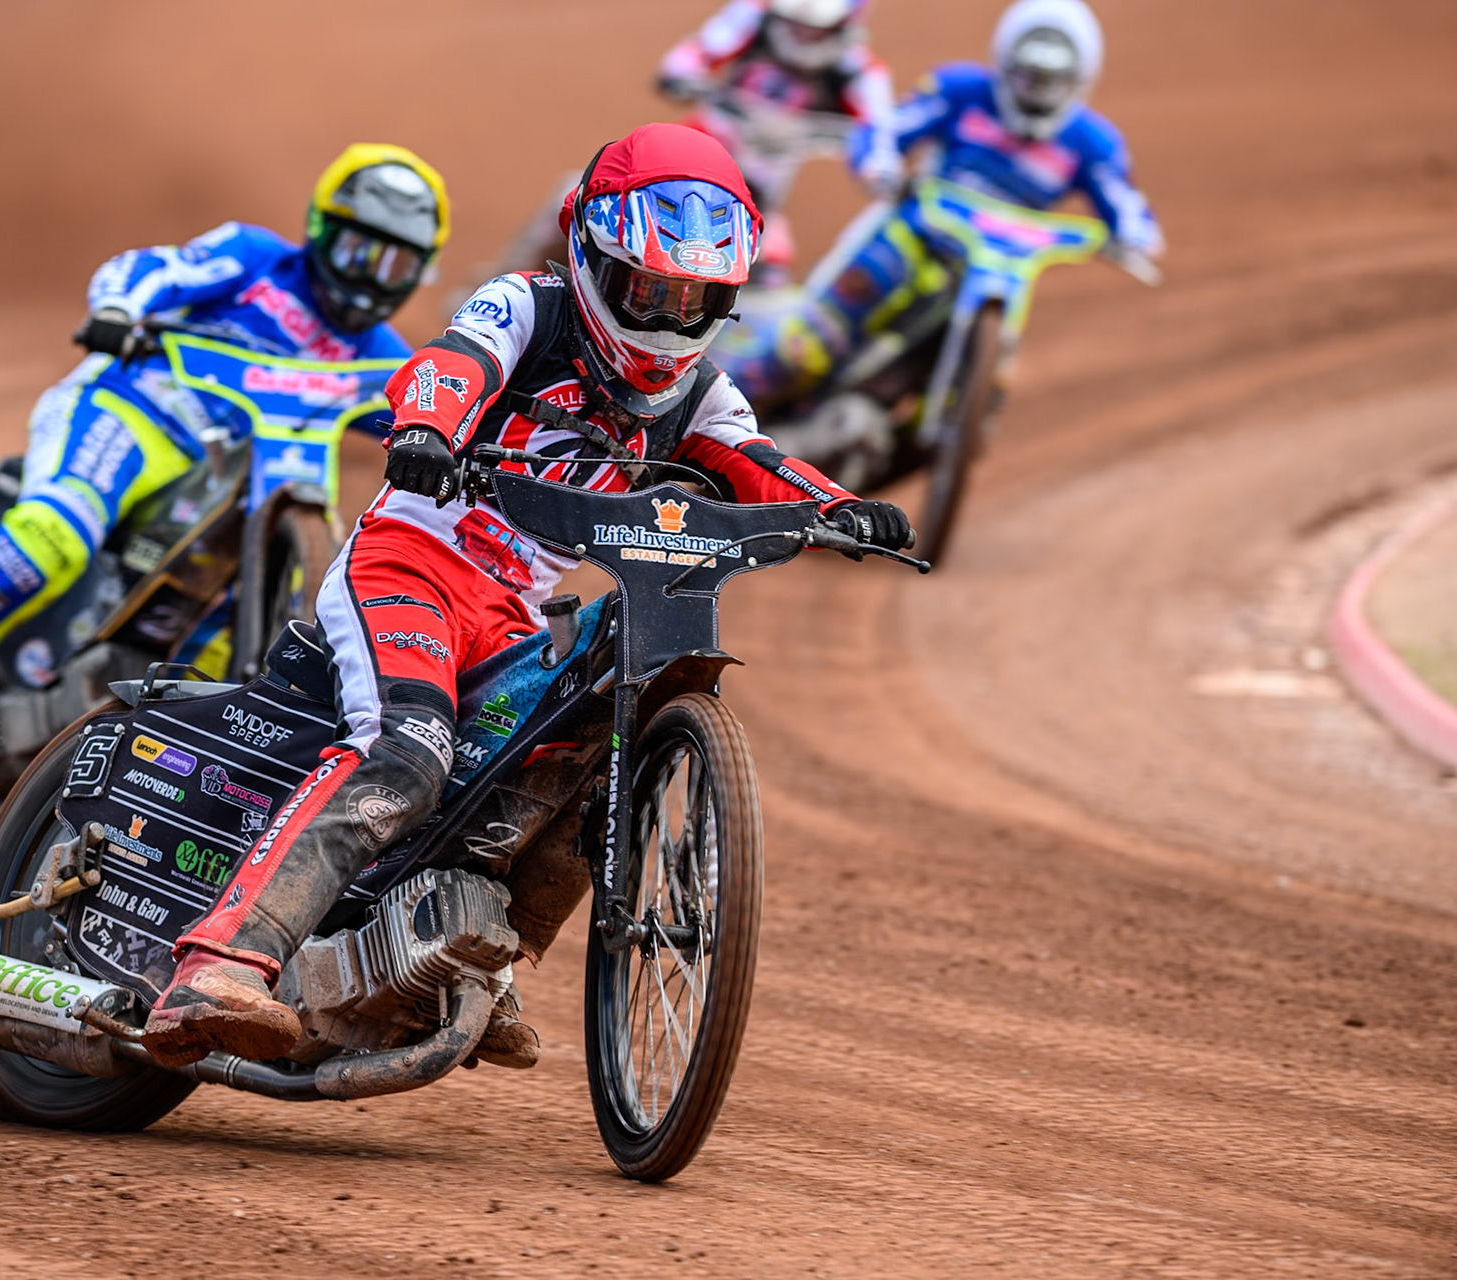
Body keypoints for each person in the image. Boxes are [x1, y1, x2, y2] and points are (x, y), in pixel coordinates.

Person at [133, 123, 913, 1071]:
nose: (669, 321)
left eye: (695, 299)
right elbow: (449, 365)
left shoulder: (696, 392)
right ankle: (219, 965)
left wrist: (841, 510)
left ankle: (474, 958)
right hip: (410, 564)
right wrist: (427, 424)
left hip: (511, 612)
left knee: (592, 747)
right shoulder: (528, 309)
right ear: (590, 254)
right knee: (407, 754)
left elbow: (754, 461)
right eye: (650, 291)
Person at [0, 145, 450, 796]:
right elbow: (153, 270)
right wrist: (118, 310)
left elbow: (437, 413)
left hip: (231, 488)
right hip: (130, 413)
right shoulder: (254, 259)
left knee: (228, 628)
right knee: (52, 539)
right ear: (319, 230)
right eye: (359, 251)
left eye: (395, 264)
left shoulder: (383, 359)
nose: (368, 278)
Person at [790, 0, 1163, 393]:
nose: (1037, 91)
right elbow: (886, 130)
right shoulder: (960, 90)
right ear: (1005, 62)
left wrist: (1136, 237)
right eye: (1029, 76)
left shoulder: (1092, 142)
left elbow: (1125, 203)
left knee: (999, 371)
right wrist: (879, 165)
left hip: (998, 269)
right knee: (806, 343)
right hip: (916, 235)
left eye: (1052, 80)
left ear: (1080, 79)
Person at [659, 0, 896, 278]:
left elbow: (880, 134)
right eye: (795, 24)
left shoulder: (862, 72)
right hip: (710, 141)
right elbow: (697, 52)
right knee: (658, 199)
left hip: (776, 175)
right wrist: (683, 75)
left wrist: (879, 170)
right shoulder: (753, 16)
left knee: (767, 259)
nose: (802, 34)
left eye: (815, 29)